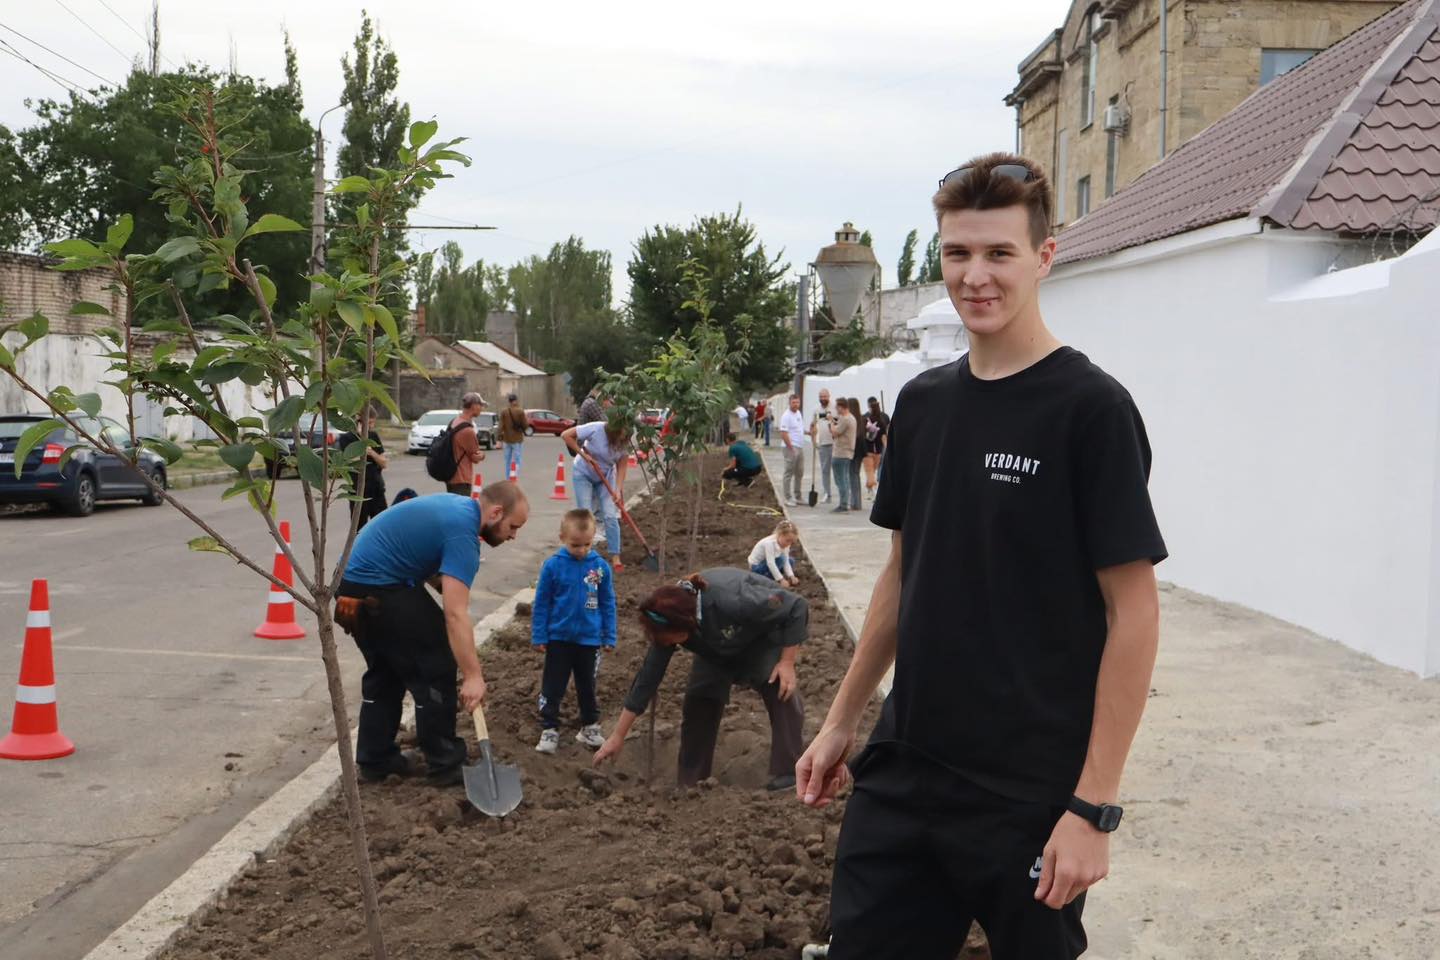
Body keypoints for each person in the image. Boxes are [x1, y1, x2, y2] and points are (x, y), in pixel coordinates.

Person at [794, 152, 1167, 960]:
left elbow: (1133, 612)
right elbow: (903, 573)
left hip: (1031, 793)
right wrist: (840, 722)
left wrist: (1093, 808)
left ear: (1044, 256)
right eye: (958, 253)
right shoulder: (923, 405)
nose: (976, 276)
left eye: (999, 252)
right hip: (907, 768)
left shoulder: (1091, 411)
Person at [337, 482, 531, 786]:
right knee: (436, 663)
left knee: (387, 671)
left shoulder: (457, 508)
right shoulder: (463, 535)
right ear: (496, 513)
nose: (513, 536)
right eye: (513, 526)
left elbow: (415, 551)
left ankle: (376, 759)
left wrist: (440, 582)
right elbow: (455, 615)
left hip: (350, 586)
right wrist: (473, 676)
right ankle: (445, 763)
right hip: (379, 587)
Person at [594, 570, 806, 790]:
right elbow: (648, 678)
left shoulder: (733, 601)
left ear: (686, 623)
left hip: (760, 638)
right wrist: (618, 735)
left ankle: (789, 771)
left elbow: (796, 607)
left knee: (779, 686)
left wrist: (787, 662)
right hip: (715, 648)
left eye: (671, 640)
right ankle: (692, 783)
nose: (669, 644)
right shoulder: (666, 622)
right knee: (700, 698)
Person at [532, 509, 616, 755]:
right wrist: (539, 635)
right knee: (553, 685)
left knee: (587, 684)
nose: (581, 550)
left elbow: (607, 603)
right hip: (559, 638)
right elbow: (542, 603)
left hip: (589, 640)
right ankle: (549, 728)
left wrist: (609, 634)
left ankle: (589, 726)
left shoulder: (600, 568)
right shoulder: (552, 566)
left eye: (587, 544)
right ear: (562, 538)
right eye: (575, 545)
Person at [560, 416, 630, 571]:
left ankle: (615, 556)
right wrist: (583, 455)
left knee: (610, 515)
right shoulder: (596, 428)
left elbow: (622, 467)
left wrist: (618, 490)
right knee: (586, 514)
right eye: (621, 433)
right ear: (614, 430)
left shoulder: (624, 443)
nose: (623, 437)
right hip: (583, 473)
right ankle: (586, 553)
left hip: (605, 476)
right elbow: (566, 435)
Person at [338, 406, 387, 531]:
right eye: (369, 423)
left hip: (376, 490)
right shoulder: (346, 439)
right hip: (357, 492)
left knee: (383, 526)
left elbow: (384, 463)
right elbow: (349, 461)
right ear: (359, 420)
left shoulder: (374, 436)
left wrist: (371, 452)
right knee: (359, 529)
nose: (372, 426)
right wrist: (361, 443)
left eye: (373, 422)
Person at [445, 392, 486, 496]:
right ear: (474, 406)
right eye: (480, 405)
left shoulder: (454, 422)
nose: (482, 408)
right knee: (461, 506)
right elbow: (475, 457)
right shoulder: (467, 430)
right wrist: (483, 455)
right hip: (461, 479)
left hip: (450, 475)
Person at [748, 520, 800, 587]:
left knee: (790, 561)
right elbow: (771, 563)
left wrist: (791, 576)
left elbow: (786, 561)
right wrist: (781, 580)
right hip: (756, 567)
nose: (789, 544)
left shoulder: (785, 544)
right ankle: (767, 580)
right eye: (787, 541)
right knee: (781, 559)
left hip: (768, 563)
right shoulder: (769, 543)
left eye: (791, 542)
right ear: (780, 535)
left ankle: (776, 575)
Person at [777, 394, 807, 507]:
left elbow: (799, 429)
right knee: (789, 472)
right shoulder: (786, 416)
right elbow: (783, 433)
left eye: (797, 402)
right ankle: (787, 497)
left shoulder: (798, 413)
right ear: (789, 403)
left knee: (799, 472)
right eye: (793, 402)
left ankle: (798, 496)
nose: (796, 404)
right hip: (790, 447)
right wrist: (790, 447)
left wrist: (809, 432)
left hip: (799, 446)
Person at [828, 398, 857, 513]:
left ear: (841, 407)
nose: (836, 409)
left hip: (841, 453)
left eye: (837, 407)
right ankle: (845, 503)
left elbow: (835, 432)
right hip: (847, 452)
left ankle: (843, 504)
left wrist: (831, 422)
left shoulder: (845, 419)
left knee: (840, 480)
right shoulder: (851, 418)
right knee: (844, 478)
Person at [809, 389, 835, 504]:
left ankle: (843, 496)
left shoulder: (835, 408)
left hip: (835, 443)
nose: (823, 398)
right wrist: (813, 441)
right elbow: (813, 425)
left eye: (825, 396)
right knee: (825, 470)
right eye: (821, 396)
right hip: (823, 443)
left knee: (838, 470)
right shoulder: (816, 410)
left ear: (829, 396)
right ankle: (827, 494)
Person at [863, 397, 890, 499]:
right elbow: (884, 436)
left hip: (869, 448)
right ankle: (873, 490)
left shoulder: (865, 419)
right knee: (871, 470)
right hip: (877, 450)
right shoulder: (883, 419)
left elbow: (861, 434)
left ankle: (870, 488)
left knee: (871, 471)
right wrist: (887, 447)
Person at [498, 393, 529, 480]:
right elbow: (525, 425)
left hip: (507, 439)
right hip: (517, 439)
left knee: (507, 460)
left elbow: (500, 426)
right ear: (516, 401)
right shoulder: (520, 411)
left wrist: (499, 439)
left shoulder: (504, 412)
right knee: (517, 460)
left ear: (509, 401)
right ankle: (514, 476)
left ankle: (508, 477)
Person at [845, 398, 864, 511]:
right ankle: (857, 502)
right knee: (856, 476)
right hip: (860, 452)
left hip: (852, 451)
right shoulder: (861, 419)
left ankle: (854, 502)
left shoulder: (850, 419)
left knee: (852, 476)